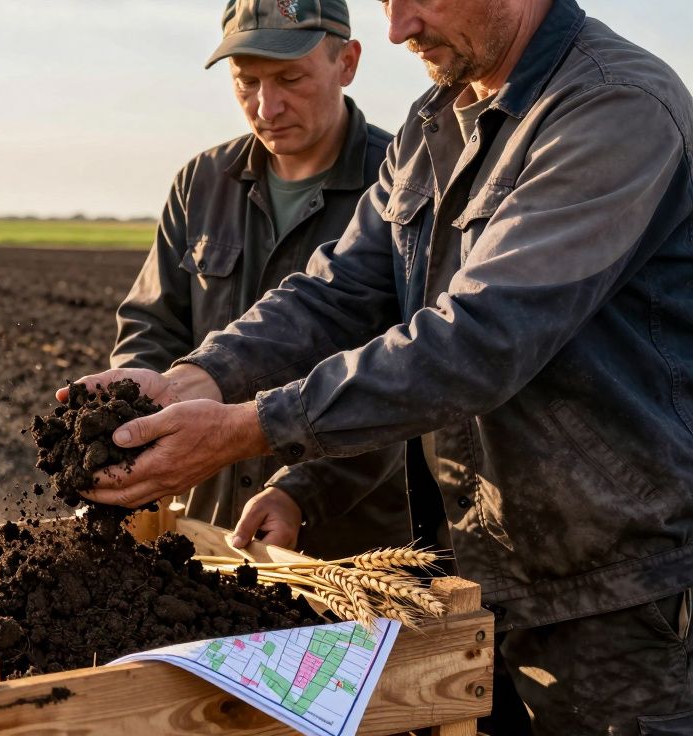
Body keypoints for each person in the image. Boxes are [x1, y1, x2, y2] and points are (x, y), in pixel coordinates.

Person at [62, 0, 693, 731]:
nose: (398, 27)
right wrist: (195, 379)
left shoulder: (614, 107)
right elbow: (338, 291)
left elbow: (478, 341)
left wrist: (251, 428)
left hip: (609, 589)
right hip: (463, 572)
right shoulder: (435, 126)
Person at [112, 0, 412, 559]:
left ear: (347, 63)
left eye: (290, 78)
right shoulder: (202, 182)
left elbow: (414, 374)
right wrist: (133, 417)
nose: (266, 106)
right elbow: (152, 324)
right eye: (245, 82)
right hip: (207, 525)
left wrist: (305, 491)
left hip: (352, 542)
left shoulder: (402, 185)